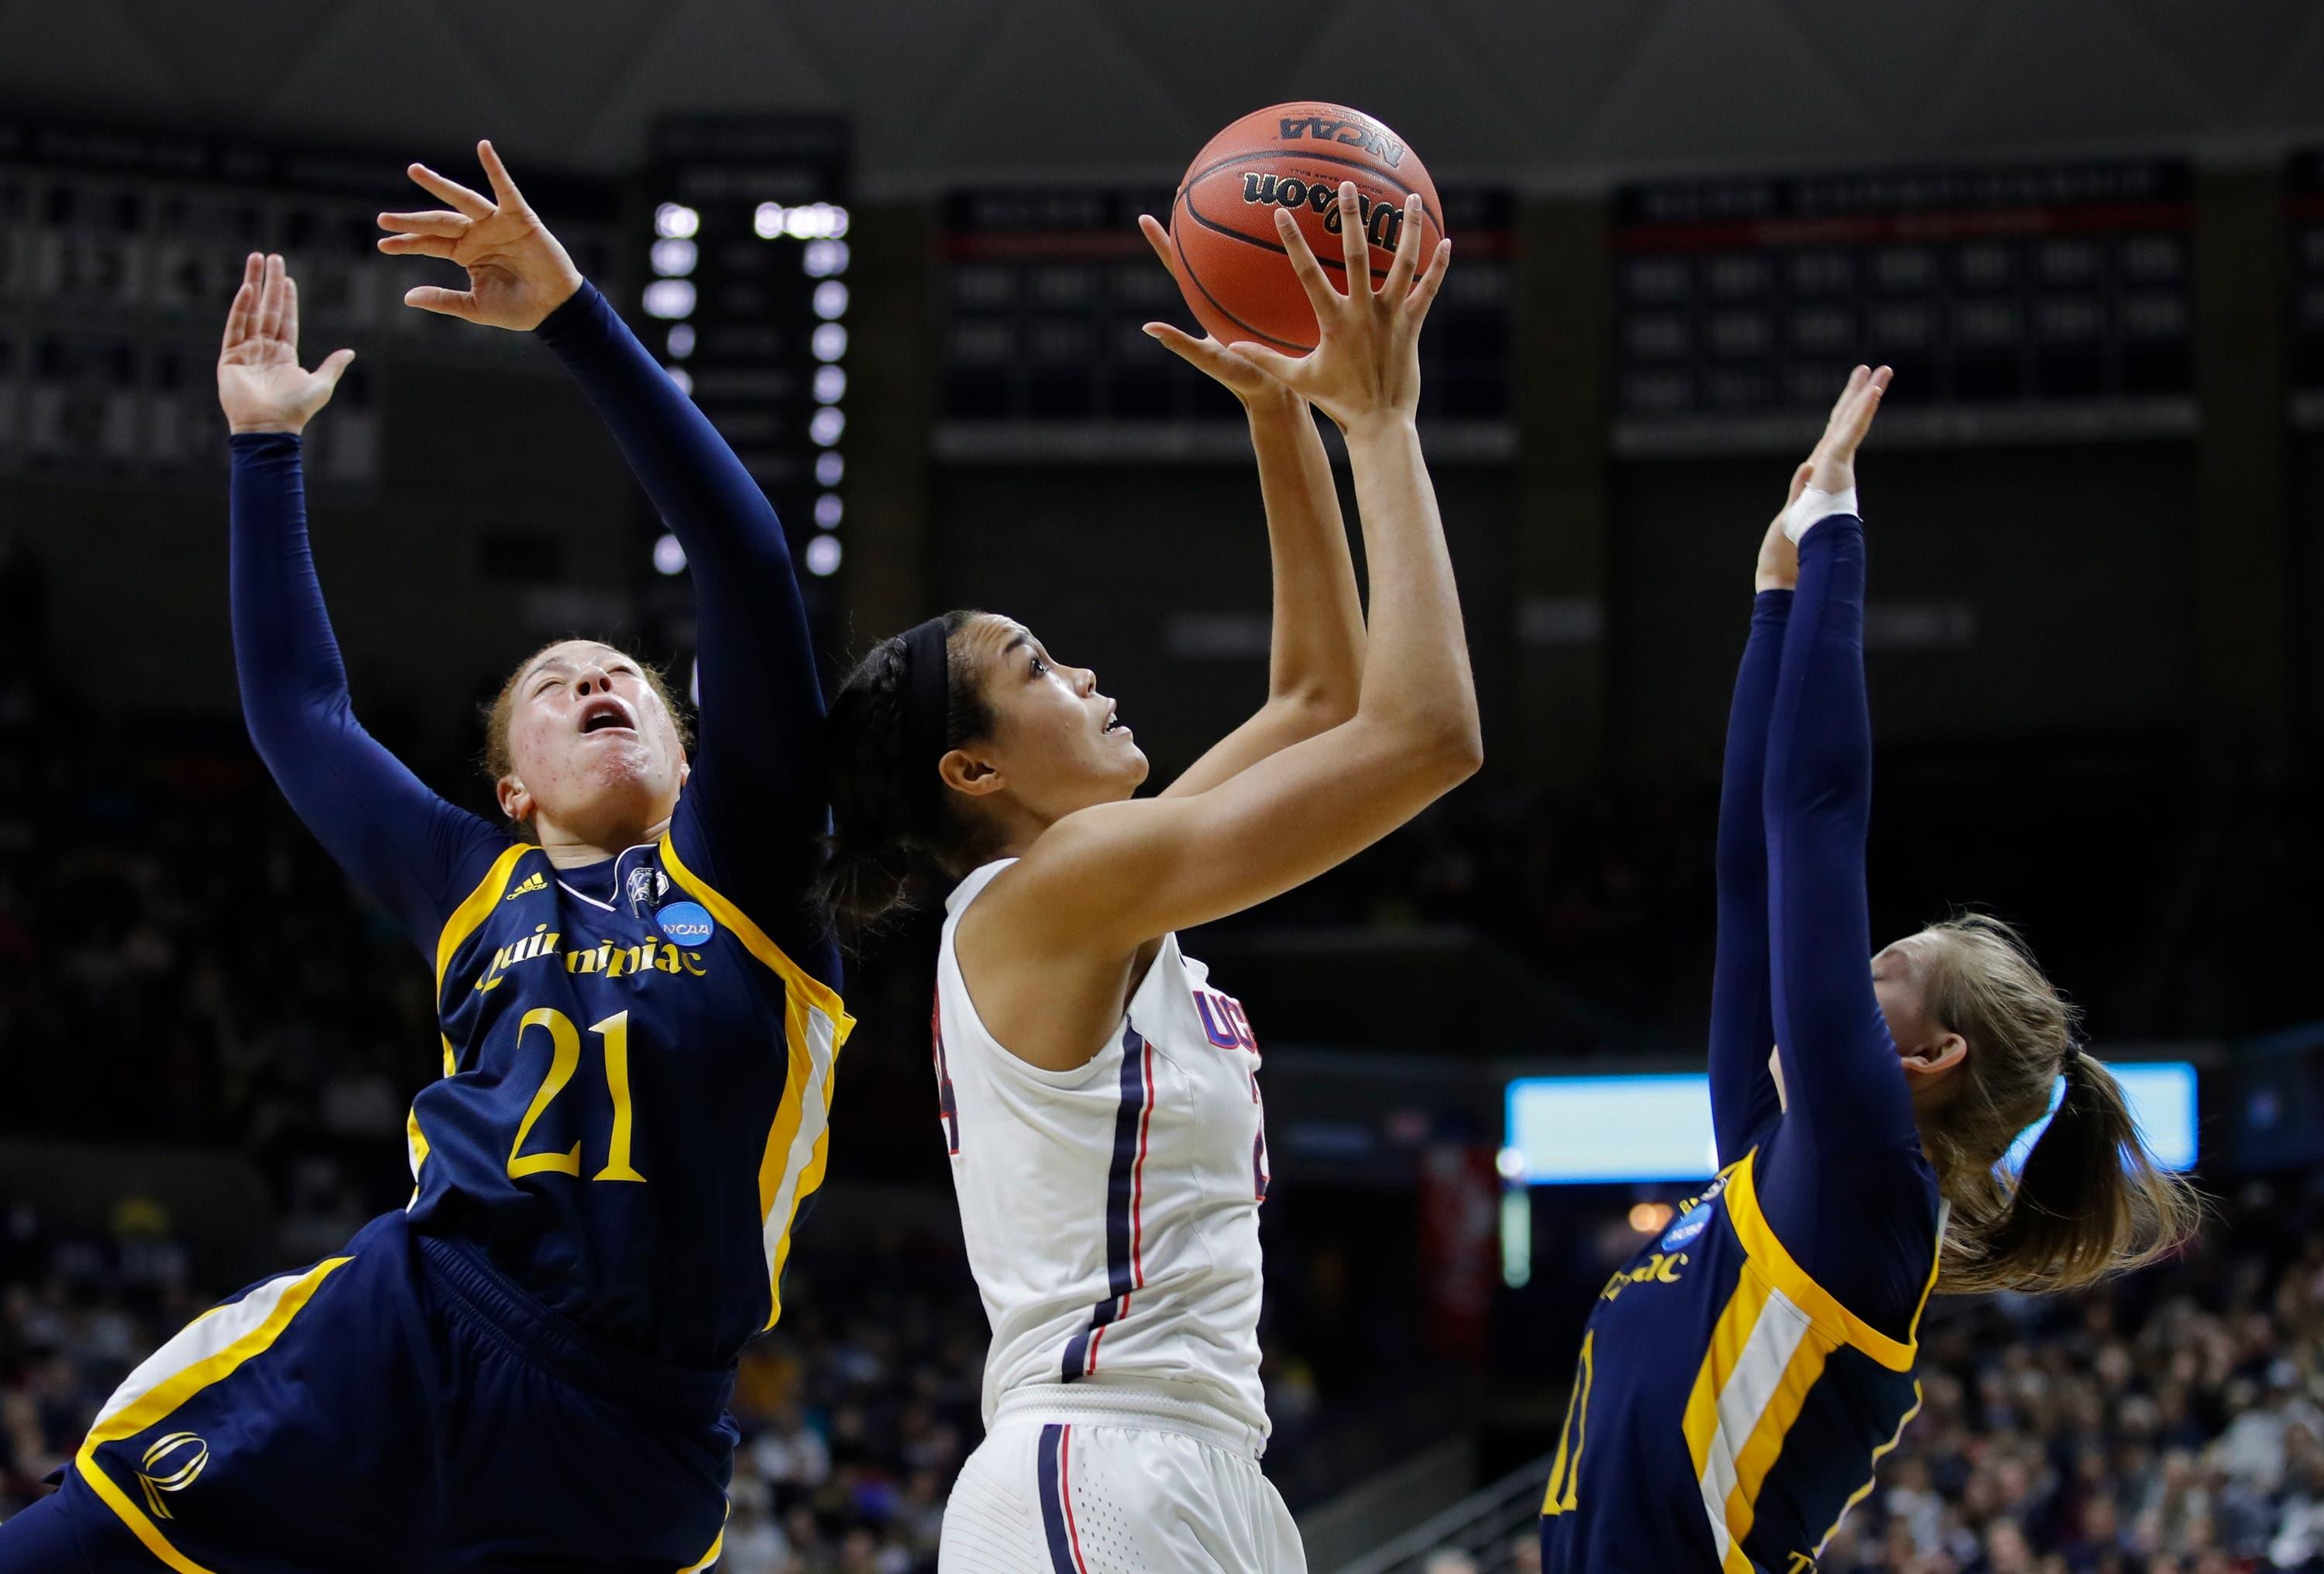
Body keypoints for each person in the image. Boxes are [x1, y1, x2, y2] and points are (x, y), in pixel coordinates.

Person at [0, 145, 847, 1573]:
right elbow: (298, 713)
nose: (599, 682)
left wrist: (579, 314)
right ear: (512, 791)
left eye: (628, 678)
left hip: (630, 1436)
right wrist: (265, 451)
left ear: (691, 753)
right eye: (556, 682)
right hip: (406, 1339)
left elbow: (745, 558)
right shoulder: (475, 886)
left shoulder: (751, 870)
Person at [817, 185, 1475, 1574]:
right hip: (1094, 1462)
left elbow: (1317, 695)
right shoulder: (1058, 892)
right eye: (1039, 670)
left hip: (1201, 1464)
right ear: (974, 774)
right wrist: (1382, 424)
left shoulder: (1092, 890)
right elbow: (1423, 735)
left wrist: (1276, 408)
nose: (1089, 676)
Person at [1536, 366, 2199, 1574]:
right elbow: (1748, 876)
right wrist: (1772, 603)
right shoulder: (1773, 1168)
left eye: (1886, 966)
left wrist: (1838, 528)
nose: (1847, 965)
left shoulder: (1863, 1177)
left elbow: (1816, 818)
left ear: (1929, 1058)